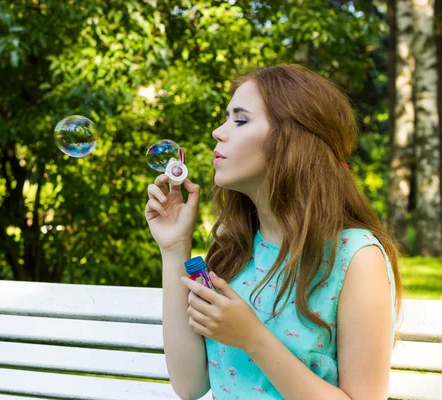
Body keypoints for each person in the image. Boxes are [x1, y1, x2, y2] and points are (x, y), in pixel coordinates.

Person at [144, 64, 402, 400]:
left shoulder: (355, 258)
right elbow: (190, 385)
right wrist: (174, 247)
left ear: (292, 139)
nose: (218, 132)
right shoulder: (238, 248)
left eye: (240, 119)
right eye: (226, 118)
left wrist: (252, 337)